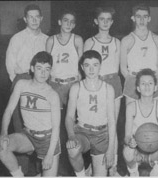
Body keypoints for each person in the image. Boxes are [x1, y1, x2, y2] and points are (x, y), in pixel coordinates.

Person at [0, 51, 61, 177]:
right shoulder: (21, 85)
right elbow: (9, 110)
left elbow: (56, 128)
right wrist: (4, 132)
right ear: (32, 68)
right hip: (28, 136)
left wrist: (49, 155)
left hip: (47, 140)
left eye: (47, 69)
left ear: (50, 71)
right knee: (2, 146)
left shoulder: (52, 95)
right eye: (39, 68)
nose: (43, 73)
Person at [5, 4, 49, 175]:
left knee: (41, 128)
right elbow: (10, 66)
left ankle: (41, 170)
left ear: (41, 18)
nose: (34, 20)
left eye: (37, 16)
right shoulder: (16, 38)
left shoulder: (47, 39)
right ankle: (21, 171)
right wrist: (20, 84)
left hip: (42, 82)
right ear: (25, 19)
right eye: (30, 17)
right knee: (20, 128)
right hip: (21, 80)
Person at [65, 50, 116, 176]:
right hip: (83, 132)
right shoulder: (76, 87)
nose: (91, 69)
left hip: (102, 135)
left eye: (95, 65)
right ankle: (82, 175)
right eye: (87, 65)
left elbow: (112, 120)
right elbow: (69, 117)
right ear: (82, 67)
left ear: (100, 66)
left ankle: (92, 170)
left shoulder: (108, 89)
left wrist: (111, 150)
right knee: (73, 149)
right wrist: (71, 136)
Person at [83, 7, 121, 176]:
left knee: (111, 124)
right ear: (96, 21)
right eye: (102, 19)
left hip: (113, 82)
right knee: (96, 126)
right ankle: (94, 164)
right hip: (95, 83)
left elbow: (119, 66)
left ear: (112, 22)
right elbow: (84, 67)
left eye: (108, 19)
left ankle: (113, 166)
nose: (105, 22)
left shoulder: (116, 42)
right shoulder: (89, 42)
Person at [123, 68, 158, 176]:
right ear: (138, 88)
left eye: (150, 83)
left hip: (155, 151)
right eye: (143, 83)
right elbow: (127, 136)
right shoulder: (131, 107)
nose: (147, 86)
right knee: (127, 151)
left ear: (155, 88)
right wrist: (130, 142)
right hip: (137, 150)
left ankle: (156, 171)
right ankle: (133, 172)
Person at [120, 4, 158, 105]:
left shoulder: (157, 39)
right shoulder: (126, 40)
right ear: (133, 18)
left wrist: (151, 80)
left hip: (152, 79)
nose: (142, 20)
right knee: (132, 116)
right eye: (138, 17)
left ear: (149, 19)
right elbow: (123, 68)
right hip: (133, 80)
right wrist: (133, 80)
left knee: (154, 115)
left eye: (145, 17)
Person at [46, 9, 83, 107]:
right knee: (54, 118)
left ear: (74, 25)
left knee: (72, 118)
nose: (68, 24)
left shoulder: (77, 40)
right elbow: (47, 64)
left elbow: (81, 65)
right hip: (55, 84)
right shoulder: (51, 40)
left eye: (72, 22)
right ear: (59, 22)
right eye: (66, 20)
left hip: (72, 83)